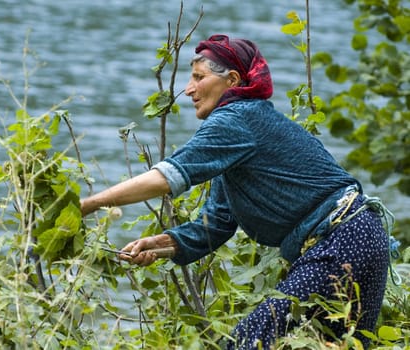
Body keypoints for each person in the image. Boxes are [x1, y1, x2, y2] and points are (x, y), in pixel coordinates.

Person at [80, 34, 391, 349]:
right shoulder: (239, 136)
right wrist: (159, 245)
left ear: (231, 80)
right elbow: (215, 224)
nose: (188, 89)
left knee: (244, 344)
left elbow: (167, 177)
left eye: (199, 78)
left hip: (343, 241)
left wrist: (90, 204)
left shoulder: (237, 118)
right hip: (362, 236)